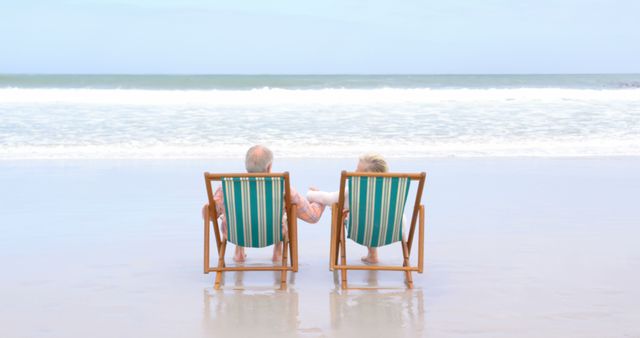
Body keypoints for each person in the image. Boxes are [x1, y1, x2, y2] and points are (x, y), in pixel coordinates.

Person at [203, 145, 325, 262]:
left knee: (234, 214)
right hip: (273, 234)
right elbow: (312, 217)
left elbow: (210, 216)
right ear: (269, 167)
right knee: (283, 216)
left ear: (246, 166)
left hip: (233, 233)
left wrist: (208, 207)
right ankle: (278, 251)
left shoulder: (226, 188)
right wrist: (318, 199)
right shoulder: (282, 187)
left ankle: (239, 249)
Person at [307, 153, 392, 264]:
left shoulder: (355, 190)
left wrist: (312, 194)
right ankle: (373, 255)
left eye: (357, 170)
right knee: (373, 214)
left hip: (362, 229)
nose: (354, 172)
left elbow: (329, 199)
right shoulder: (392, 190)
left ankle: (368, 255)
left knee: (339, 209)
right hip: (391, 229)